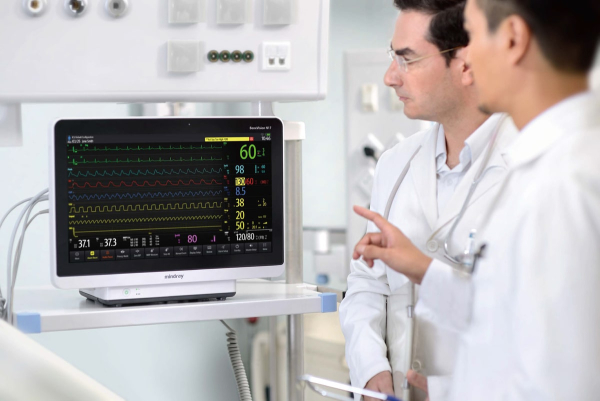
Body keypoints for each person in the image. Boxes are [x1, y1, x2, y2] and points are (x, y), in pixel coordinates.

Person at [352, 0, 600, 399]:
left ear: (513, 40)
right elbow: (504, 312)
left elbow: (560, 381)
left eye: (474, 36)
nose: (467, 60)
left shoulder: (564, 181)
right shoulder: (551, 166)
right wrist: (421, 269)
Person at [338, 1, 517, 400]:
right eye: (393, 57)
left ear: (466, 64)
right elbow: (366, 281)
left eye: (408, 60)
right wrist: (370, 369)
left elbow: (535, 320)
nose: (390, 77)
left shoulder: (527, 169)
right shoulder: (395, 164)